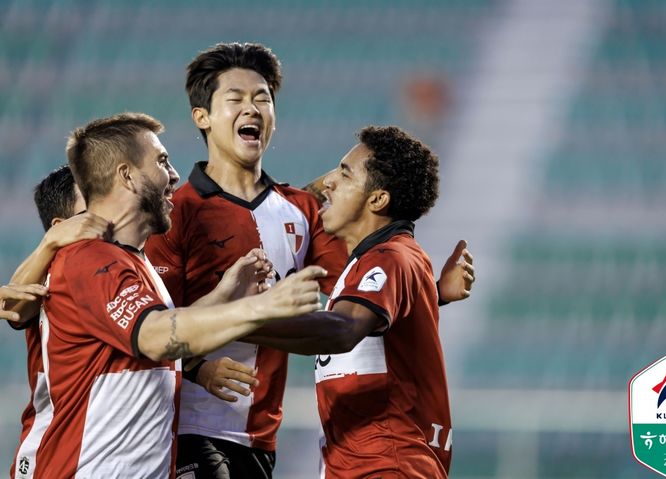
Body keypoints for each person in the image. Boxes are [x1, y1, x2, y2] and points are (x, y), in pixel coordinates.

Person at [144, 42, 473, 478]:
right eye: (236, 99)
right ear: (202, 116)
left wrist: (431, 295)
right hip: (189, 425)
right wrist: (198, 367)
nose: (253, 109)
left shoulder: (304, 212)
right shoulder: (174, 214)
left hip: (262, 436)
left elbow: (356, 306)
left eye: (262, 98)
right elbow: (147, 327)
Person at [31, 112, 325, 478]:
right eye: (161, 161)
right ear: (126, 175)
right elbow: (156, 336)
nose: (173, 175)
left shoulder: (133, 262)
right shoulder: (90, 260)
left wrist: (224, 293)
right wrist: (261, 306)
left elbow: (165, 329)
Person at [301, 126, 454, 477]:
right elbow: (301, 203)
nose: (328, 183)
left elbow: (342, 330)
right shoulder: (367, 262)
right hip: (360, 464)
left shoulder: (391, 256)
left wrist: (244, 320)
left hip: (388, 465)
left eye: (343, 173)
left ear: (377, 200)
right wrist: (437, 294)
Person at [5, 165, 111, 479]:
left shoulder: (120, 267)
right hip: (49, 453)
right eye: (92, 210)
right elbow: (12, 307)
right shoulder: (54, 272)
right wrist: (51, 244)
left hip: (102, 454)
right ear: (59, 226)